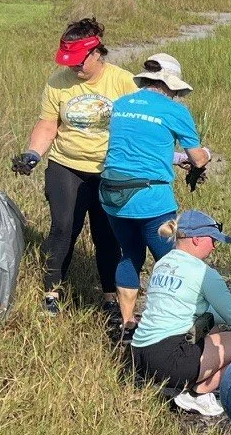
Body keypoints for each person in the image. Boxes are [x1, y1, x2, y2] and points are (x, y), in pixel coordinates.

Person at [9, 18, 137, 314]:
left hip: (109, 170)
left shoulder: (122, 81)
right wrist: (33, 154)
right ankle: (52, 293)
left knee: (106, 234)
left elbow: (136, 126)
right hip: (66, 165)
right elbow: (47, 125)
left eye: (79, 62)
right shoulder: (57, 82)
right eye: (69, 63)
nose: (74, 69)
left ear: (96, 53)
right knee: (63, 228)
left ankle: (109, 298)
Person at [99, 53, 211, 331]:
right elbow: (197, 159)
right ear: (170, 85)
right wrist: (205, 155)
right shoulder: (174, 110)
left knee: (129, 254)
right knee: (173, 259)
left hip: (112, 196)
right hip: (151, 199)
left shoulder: (121, 104)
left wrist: (172, 158)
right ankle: (174, 320)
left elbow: (137, 145)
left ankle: (127, 322)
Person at [128, 210, 231, 417]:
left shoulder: (162, 264)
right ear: (196, 239)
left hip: (139, 355)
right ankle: (198, 393)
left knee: (216, 326)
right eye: (213, 240)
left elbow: (210, 314)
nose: (214, 246)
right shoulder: (204, 273)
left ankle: (183, 385)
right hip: (170, 360)